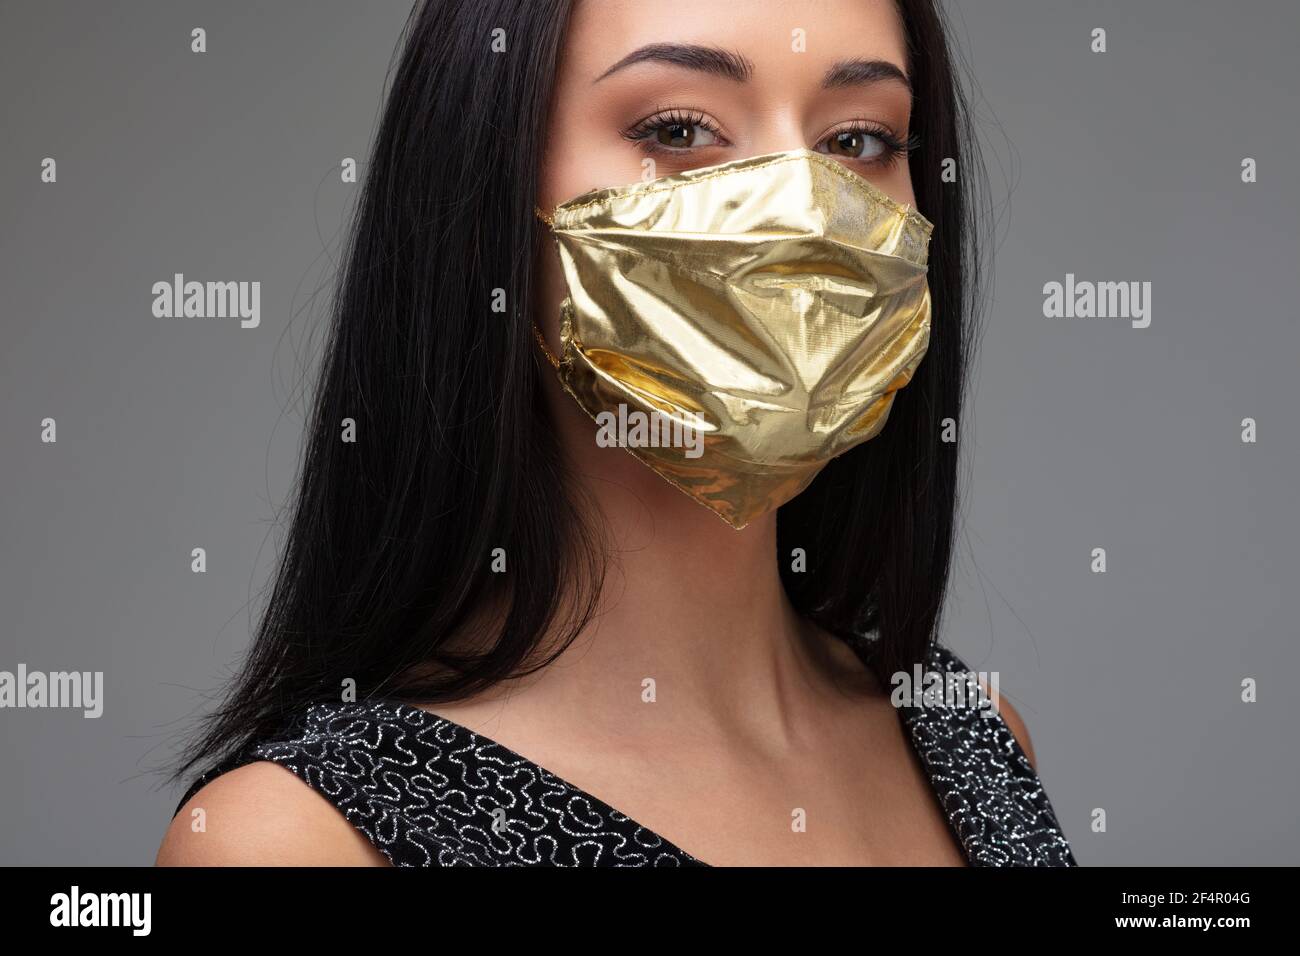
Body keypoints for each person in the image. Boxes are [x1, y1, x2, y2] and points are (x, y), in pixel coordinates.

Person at [157, 0, 1075, 867]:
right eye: (677, 129)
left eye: (859, 140)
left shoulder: (972, 737)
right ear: (487, 198)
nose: (801, 209)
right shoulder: (294, 841)